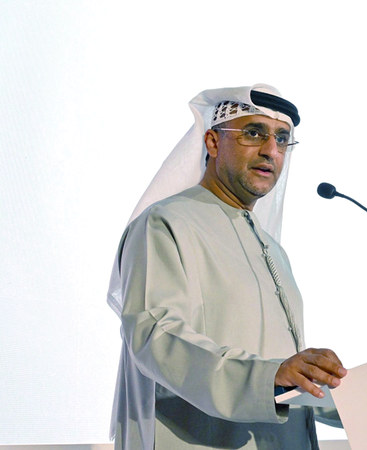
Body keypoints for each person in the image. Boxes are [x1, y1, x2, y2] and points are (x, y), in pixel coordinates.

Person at [106, 83, 346, 449]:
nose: (271, 151)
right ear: (213, 142)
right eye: (254, 133)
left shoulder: (274, 251)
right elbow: (156, 335)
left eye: (282, 139)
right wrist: (266, 378)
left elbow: (283, 384)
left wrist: (338, 391)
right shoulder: (167, 222)